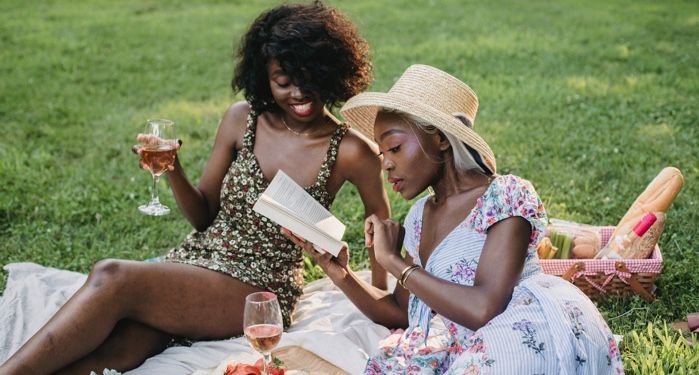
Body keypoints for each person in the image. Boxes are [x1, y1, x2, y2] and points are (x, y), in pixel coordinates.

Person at [0, 2, 390, 374]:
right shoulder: (243, 120)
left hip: (258, 286)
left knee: (113, 275)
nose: (298, 93)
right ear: (264, 78)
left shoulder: (352, 150)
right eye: (283, 82)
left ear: (331, 72)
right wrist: (172, 167)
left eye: (309, 78)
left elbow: (382, 231)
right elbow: (203, 214)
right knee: (124, 347)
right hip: (196, 259)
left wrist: (380, 300)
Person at [285, 64, 624, 374]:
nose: (385, 164)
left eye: (396, 148)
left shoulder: (505, 196)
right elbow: (403, 313)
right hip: (470, 337)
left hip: (529, 322)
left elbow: (484, 308)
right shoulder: (420, 217)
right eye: (381, 152)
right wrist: (340, 273)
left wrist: (395, 264)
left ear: (441, 139)